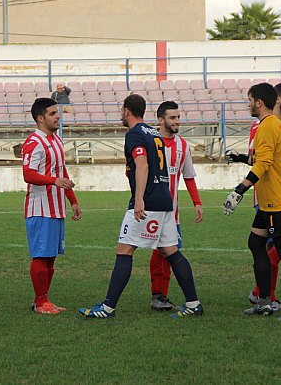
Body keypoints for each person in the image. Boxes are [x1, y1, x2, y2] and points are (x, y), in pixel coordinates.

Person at [79, 94, 203, 319]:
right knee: (171, 251)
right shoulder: (154, 133)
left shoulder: (134, 134)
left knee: (124, 250)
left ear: (126, 110)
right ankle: (194, 303)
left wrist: (139, 199)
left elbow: (142, 164)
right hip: (165, 200)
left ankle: (107, 308)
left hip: (149, 201)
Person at [222, 82, 281, 320]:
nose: (248, 104)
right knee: (255, 243)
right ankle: (264, 301)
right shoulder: (273, 125)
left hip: (277, 202)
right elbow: (264, 158)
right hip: (271, 200)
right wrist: (241, 157)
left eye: (250, 100)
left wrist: (239, 190)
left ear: (259, 102)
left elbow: (264, 164)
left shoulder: (268, 126)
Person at [22, 98, 82, 314]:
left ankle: (44, 299)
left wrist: (72, 200)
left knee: (50, 257)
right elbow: (28, 174)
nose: (58, 117)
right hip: (40, 208)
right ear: (40, 118)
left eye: (58, 113)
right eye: (53, 113)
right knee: (41, 256)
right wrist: (54, 181)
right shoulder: (34, 142)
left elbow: (61, 172)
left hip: (56, 207)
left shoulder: (56, 140)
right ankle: (40, 303)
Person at [149, 101, 203, 311]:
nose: (177, 121)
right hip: (151, 209)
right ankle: (157, 295)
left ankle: (159, 296)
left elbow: (188, 176)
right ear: (160, 120)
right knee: (156, 252)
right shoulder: (150, 142)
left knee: (165, 252)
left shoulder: (182, 145)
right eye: (172, 118)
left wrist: (197, 202)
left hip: (172, 213)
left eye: (178, 117)